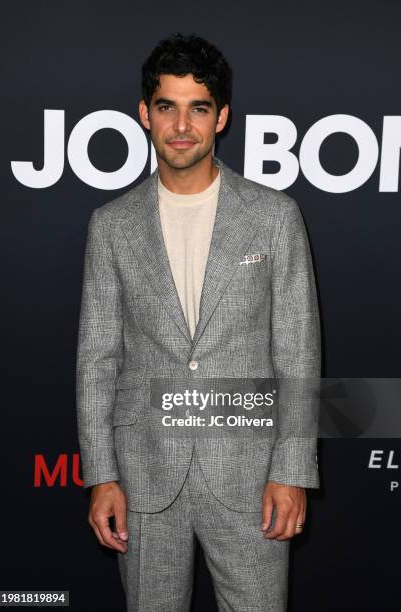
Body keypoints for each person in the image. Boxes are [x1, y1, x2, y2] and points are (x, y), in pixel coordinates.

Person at [76, 32, 321, 612]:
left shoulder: (274, 217)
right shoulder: (111, 226)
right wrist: (101, 476)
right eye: (167, 106)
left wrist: (291, 470)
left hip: (250, 474)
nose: (182, 124)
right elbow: (97, 360)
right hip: (143, 477)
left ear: (221, 117)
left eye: (198, 107)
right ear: (145, 113)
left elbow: (298, 354)